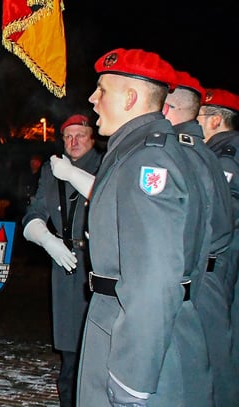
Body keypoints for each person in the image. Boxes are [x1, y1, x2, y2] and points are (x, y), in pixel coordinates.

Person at [77, 48, 215, 406]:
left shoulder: (146, 161)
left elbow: (155, 277)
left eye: (102, 90)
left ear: (130, 98)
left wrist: (132, 377)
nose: (92, 99)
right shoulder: (141, 152)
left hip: (133, 343)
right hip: (134, 328)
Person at [21, 113, 101, 407]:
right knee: (69, 351)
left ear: (92, 137)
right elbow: (34, 213)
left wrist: (72, 174)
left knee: (96, 346)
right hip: (64, 263)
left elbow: (108, 198)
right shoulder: (51, 169)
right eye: (68, 136)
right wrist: (47, 239)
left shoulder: (107, 164)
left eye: (80, 135)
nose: (73, 141)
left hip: (97, 263)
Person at [190, 85, 239, 407]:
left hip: (224, 256)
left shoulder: (226, 155)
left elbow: (221, 213)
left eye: (199, 117)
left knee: (220, 342)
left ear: (215, 120)